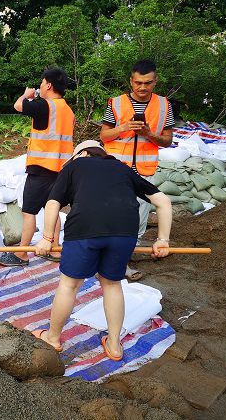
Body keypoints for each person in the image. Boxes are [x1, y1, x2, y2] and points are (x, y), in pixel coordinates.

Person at [32, 140, 172, 360]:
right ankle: (115, 345)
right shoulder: (122, 168)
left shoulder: (75, 166)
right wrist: (163, 239)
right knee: (112, 284)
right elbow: (163, 201)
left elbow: (52, 203)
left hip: (84, 228)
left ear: (83, 154)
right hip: (124, 232)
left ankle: (52, 338)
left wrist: (47, 238)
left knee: (69, 284)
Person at [99, 59, 174, 281]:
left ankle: (124, 260)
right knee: (111, 213)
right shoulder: (116, 103)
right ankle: (106, 254)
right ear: (131, 81)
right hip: (115, 169)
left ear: (155, 81)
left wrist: (149, 134)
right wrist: (123, 128)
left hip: (143, 171)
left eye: (148, 83)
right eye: (138, 83)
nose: (143, 88)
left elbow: (168, 140)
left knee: (139, 217)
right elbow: (104, 136)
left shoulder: (164, 105)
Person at [12, 68, 75, 265]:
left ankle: (21, 253)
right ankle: (55, 249)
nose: (39, 86)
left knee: (29, 212)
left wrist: (26, 95)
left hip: (40, 169)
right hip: (62, 169)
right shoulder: (67, 110)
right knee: (52, 209)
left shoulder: (44, 106)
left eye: (41, 83)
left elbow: (18, 106)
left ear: (48, 85)